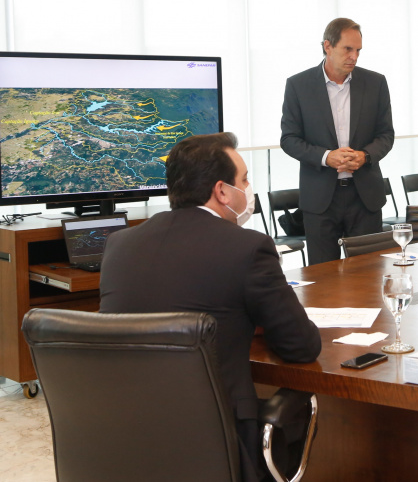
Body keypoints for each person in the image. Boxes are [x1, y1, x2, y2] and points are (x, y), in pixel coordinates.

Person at [99, 132, 321, 482]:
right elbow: (301, 346)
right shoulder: (248, 247)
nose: (248, 189)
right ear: (221, 191)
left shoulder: (119, 244)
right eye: (244, 180)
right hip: (219, 444)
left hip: (126, 440)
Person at [280, 17, 395, 265]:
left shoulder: (376, 83)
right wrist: (326, 157)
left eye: (358, 51)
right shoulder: (298, 86)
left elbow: (386, 135)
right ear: (327, 46)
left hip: (365, 197)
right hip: (320, 200)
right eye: (348, 49)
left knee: (367, 276)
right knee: (322, 279)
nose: (354, 56)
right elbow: (289, 139)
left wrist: (365, 156)